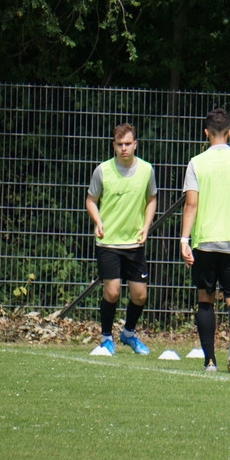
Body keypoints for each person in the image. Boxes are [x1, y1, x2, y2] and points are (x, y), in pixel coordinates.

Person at [180, 108, 230, 373]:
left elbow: (191, 204)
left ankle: (210, 361)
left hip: (205, 241)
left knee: (205, 299)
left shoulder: (197, 163)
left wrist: (184, 239)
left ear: (206, 133)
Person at [85, 123, 158, 356]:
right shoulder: (103, 171)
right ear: (114, 146)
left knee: (140, 295)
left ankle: (128, 334)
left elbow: (152, 199)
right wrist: (98, 221)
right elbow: (90, 200)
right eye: (119, 144)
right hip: (109, 242)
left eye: (127, 144)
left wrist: (146, 226)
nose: (124, 148)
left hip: (134, 243)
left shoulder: (146, 170)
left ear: (135, 144)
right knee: (112, 291)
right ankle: (106, 338)